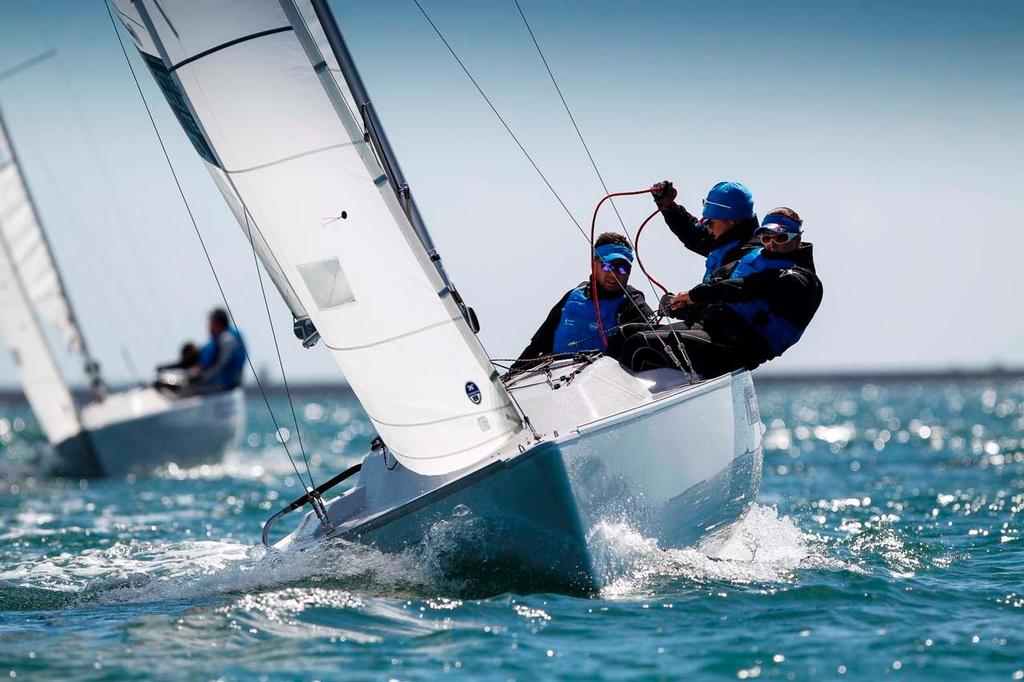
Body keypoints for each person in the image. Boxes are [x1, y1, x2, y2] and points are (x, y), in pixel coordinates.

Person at [619, 208, 822, 378]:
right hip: (710, 328)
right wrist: (680, 305)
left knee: (641, 344)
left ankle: (627, 413)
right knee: (625, 334)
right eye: (766, 237)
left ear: (798, 238)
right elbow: (715, 284)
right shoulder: (755, 257)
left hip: (739, 346)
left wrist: (693, 295)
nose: (771, 244)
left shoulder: (800, 280)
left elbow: (743, 288)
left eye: (780, 238)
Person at [512, 233, 653, 371]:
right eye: (608, 266)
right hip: (553, 380)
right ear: (594, 264)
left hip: (602, 384)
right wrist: (512, 374)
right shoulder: (572, 296)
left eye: (623, 269)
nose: (614, 275)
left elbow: (651, 339)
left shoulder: (631, 301)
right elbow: (538, 344)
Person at [650, 180, 760, 280]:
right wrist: (667, 205)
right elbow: (692, 234)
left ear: (731, 220)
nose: (708, 226)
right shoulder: (728, 235)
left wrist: (692, 299)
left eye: (711, 222)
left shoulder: (754, 254)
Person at [192, 308, 247, 392]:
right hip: (218, 384)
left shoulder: (227, 339)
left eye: (210, 322)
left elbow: (219, 365)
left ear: (217, 323)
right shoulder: (220, 338)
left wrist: (200, 376)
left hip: (222, 386)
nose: (208, 326)